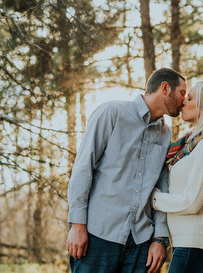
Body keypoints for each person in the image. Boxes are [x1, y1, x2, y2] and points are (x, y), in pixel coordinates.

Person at [67, 68, 187, 273]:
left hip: (141, 243)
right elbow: (82, 168)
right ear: (165, 88)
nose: (184, 101)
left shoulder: (166, 133)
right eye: (182, 93)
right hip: (98, 236)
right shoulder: (112, 113)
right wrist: (77, 225)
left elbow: (161, 186)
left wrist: (160, 238)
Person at [151, 81, 203, 273]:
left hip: (195, 243)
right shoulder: (190, 145)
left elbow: (191, 203)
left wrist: (152, 197)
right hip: (187, 242)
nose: (183, 103)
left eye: (189, 98)